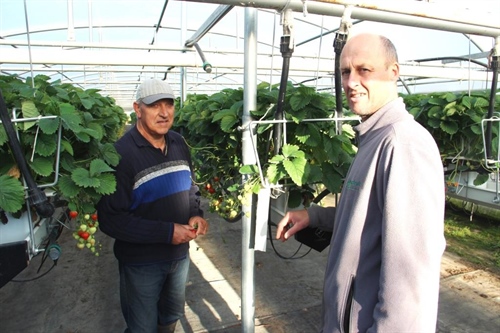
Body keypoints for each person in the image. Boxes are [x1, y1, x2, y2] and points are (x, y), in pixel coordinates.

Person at [276, 33, 445, 332]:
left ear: (393, 72)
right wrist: (314, 215)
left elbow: (412, 273)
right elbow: (367, 215)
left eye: (364, 70)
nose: (351, 81)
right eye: (345, 71)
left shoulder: (402, 143)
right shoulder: (373, 137)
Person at [97, 78, 208, 333]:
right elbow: (111, 219)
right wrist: (168, 233)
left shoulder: (179, 143)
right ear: (137, 109)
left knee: (170, 315)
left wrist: (195, 213)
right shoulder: (121, 155)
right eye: (154, 105)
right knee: (142, 327)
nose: (164, 112)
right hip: (141, 263)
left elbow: (191, 187)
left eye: (169, 104)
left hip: (179, 256)